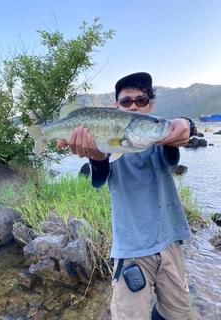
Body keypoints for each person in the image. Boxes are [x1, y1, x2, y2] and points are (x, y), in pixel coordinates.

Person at [58, 72, 196, 320]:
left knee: (179, 313)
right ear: (117, 106)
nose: (133, 105)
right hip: (131, 247)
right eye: (126, 101)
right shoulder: (112, 141)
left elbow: (177, 138)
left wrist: (188, 123)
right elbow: (100, 176)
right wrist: (97, 156)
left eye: (141, 101)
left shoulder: (160, 139)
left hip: (170, 239)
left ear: (150, 105)